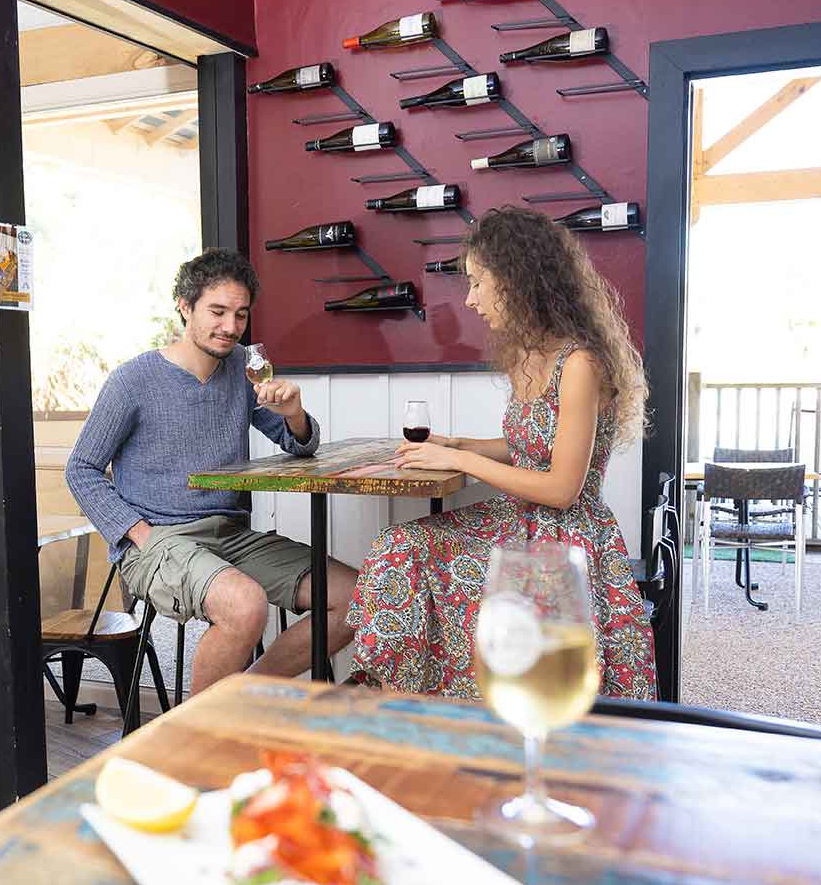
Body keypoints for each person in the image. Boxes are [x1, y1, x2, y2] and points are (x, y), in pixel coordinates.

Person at [347, 206, 656, 699]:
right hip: (516, 520)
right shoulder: (526, 356)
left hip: (567, 534)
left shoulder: (580, 363)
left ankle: (458, 702)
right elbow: (525, 446)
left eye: (476, 283)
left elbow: (560, 488)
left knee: (416, 555)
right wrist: (457, 443)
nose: (469, 300)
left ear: (516, 281)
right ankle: (411, 702)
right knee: (399, 545)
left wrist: (463, 462)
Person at [66, 247, 357, 696]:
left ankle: (238, 697)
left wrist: (295, 415)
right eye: (217, 311)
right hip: (158, 541)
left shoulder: (243, 368)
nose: (230, 327)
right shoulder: (134, 380)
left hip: (230, 535)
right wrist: (137, 533)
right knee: (245, 605)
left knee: (359, 596)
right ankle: (196, 740)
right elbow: (81, 469)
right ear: (185, 306)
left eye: (241, 315)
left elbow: (300, 446)